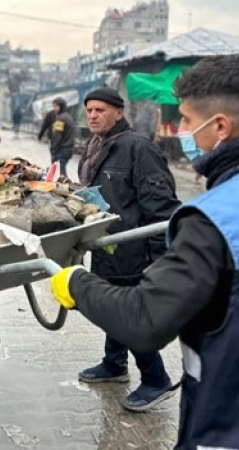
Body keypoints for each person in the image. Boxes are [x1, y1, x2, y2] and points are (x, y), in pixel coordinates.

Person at [51, 55, 239, 448]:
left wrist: (76, 283)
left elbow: (145, 323)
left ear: (219, 127)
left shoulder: (214, 219)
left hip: (234, 433)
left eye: (184, 119)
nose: (181, 131)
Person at [74, 87, 180, 411]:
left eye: (100, 110)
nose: (93, 115)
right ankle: (114, 364)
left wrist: (158, 259)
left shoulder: (137, 148)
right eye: (89, 110)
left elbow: (162, 208)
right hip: (107, 246)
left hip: (134, 249)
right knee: (111, 307)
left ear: (119, 112)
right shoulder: (96, 146)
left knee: (130, 315)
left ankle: (156, 379)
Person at [48, 97, 76, 177]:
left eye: (55, 106)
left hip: (61, 150)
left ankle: (65, 188)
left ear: (61, 106)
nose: (54, 109)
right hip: (69, 149)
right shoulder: (68, 117)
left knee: (60, 173)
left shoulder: (60, 119)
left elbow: (57, 136)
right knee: (61, 171)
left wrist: (53, 149)